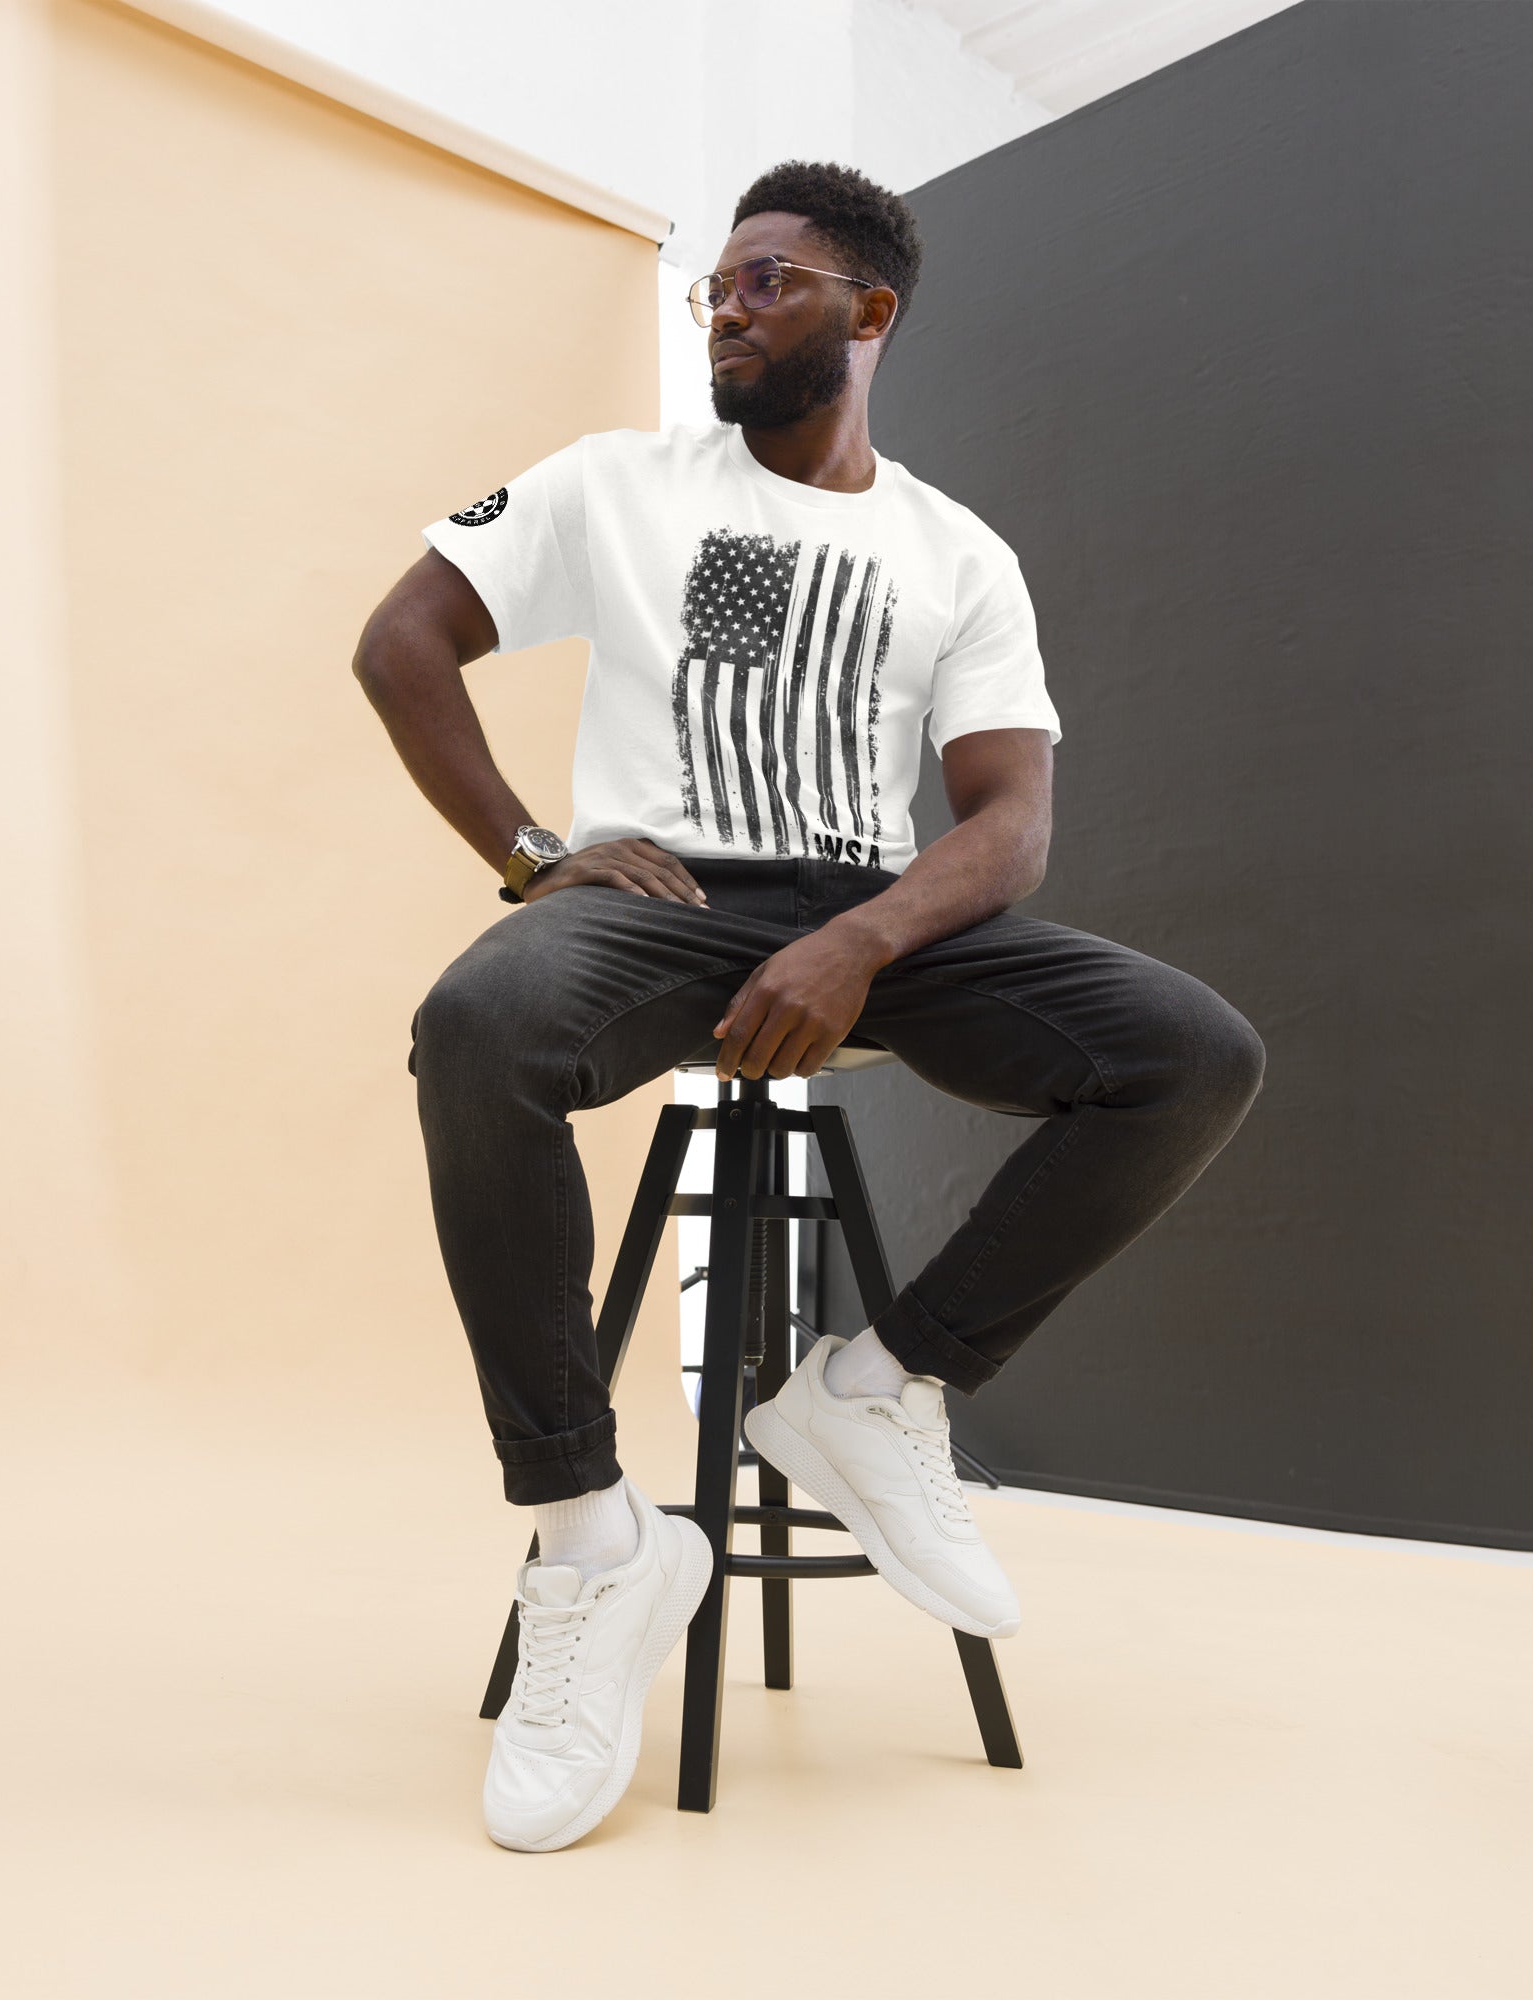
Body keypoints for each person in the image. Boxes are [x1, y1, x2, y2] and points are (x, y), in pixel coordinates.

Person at [353, 160, 1265, 1852]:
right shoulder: (618, 484)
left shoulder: (954, 552)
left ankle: (873, 1389)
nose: (727, 304)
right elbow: (401, 641)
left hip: (876, 912)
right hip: (665, 904)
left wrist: (860, 943)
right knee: (477, 1030)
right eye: (716, 283)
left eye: (767, 281)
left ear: (869, 312)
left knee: (1191, 1054)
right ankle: (592, 1544)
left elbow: (1009, 822)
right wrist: (538, 853)